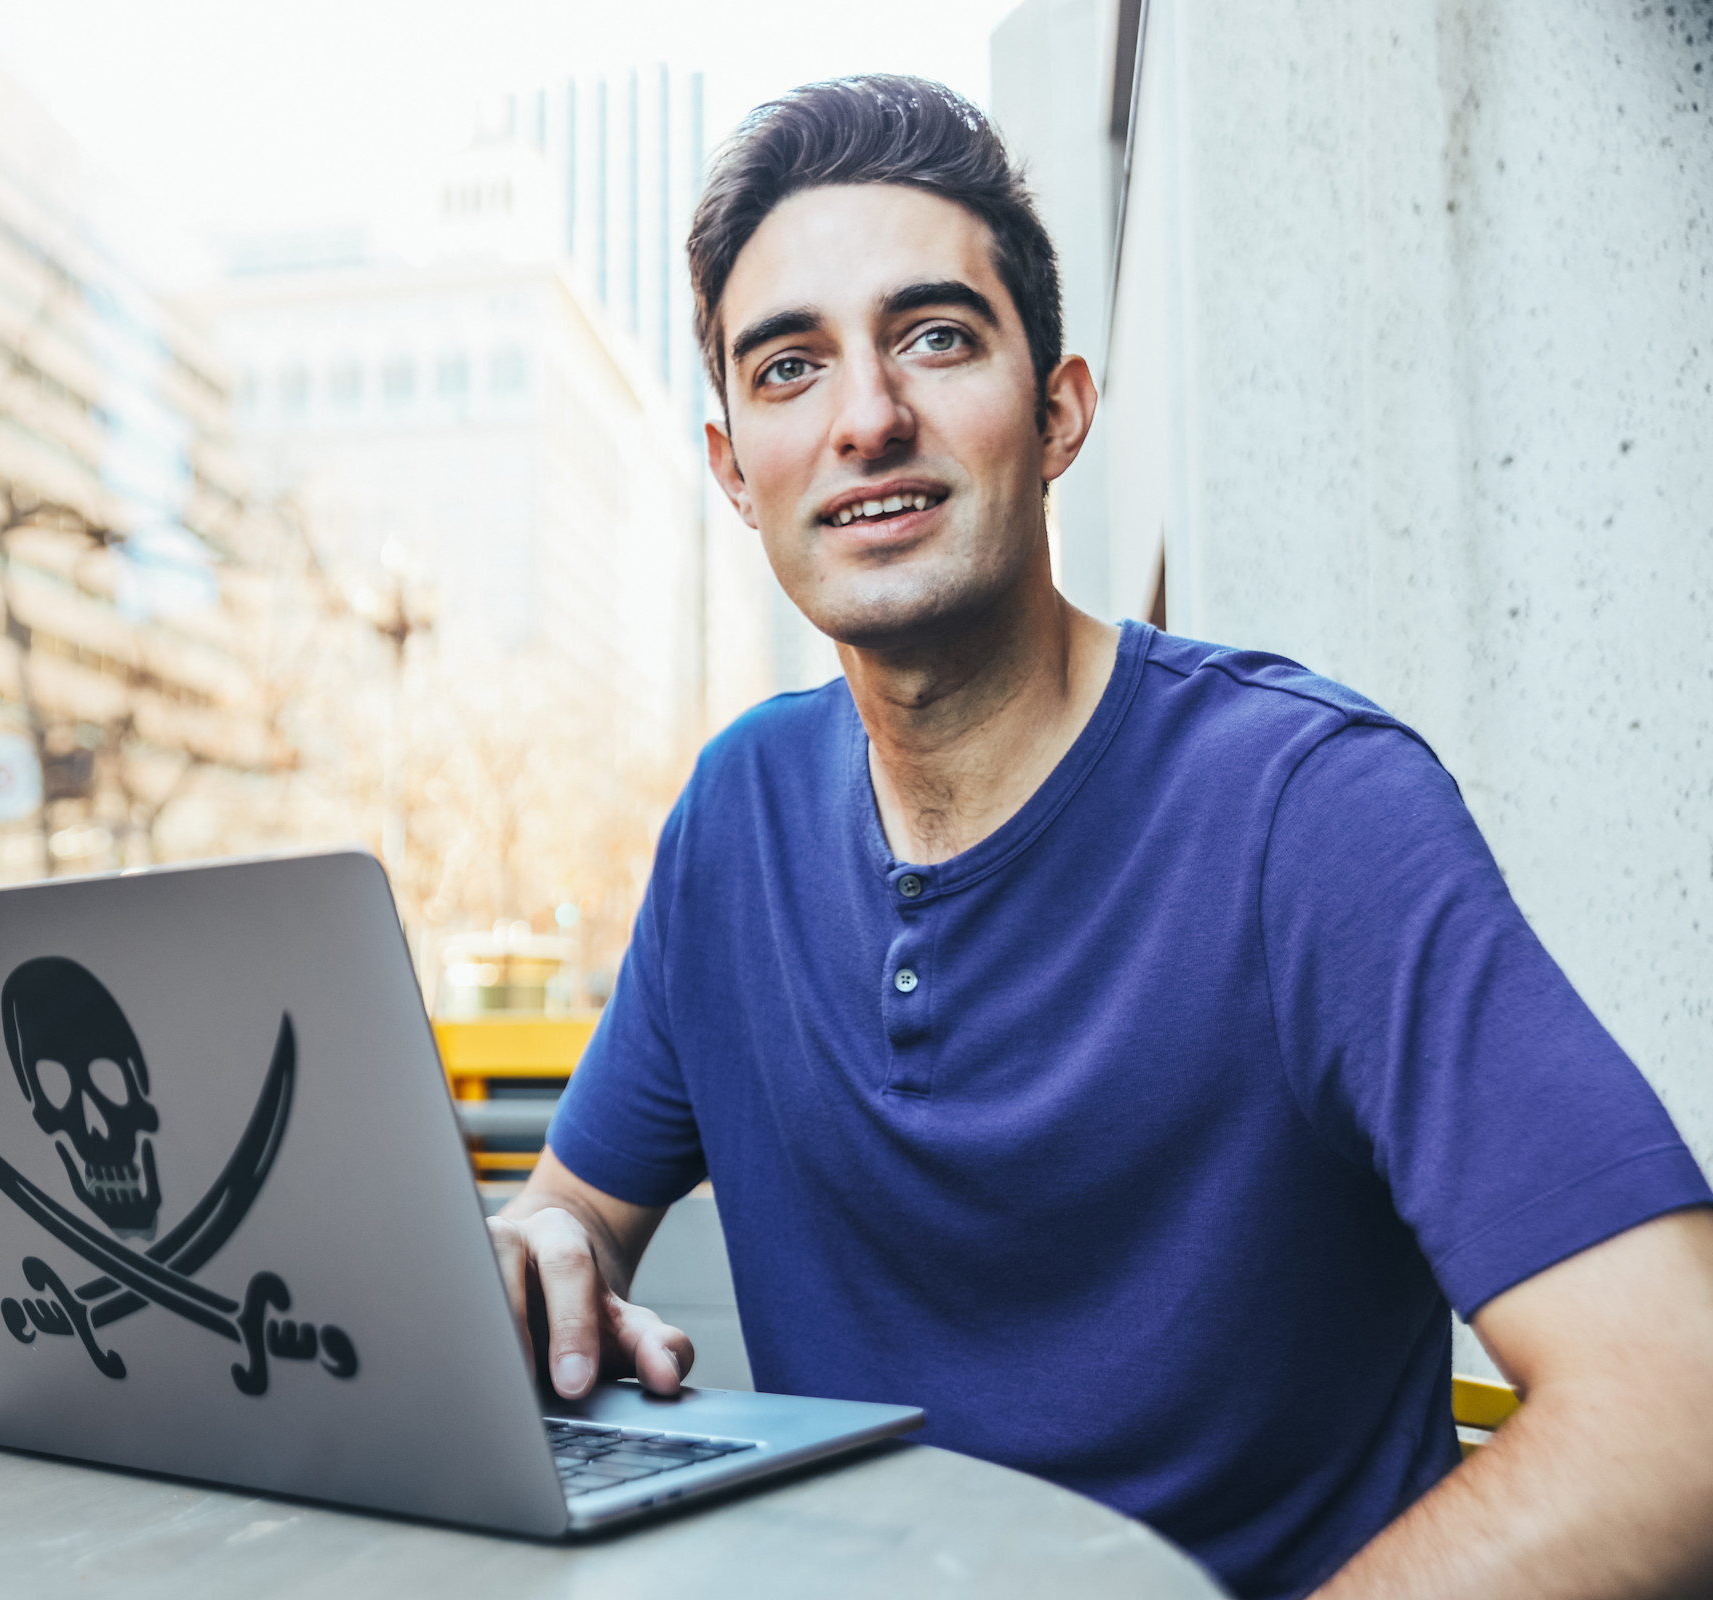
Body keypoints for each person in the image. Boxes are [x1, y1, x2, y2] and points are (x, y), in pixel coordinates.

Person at [486, 75, 1713, 1600]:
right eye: (788, 367)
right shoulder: (731, 821)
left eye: (935, 337)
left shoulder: (1308, 811)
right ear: (737, 472)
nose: (868, 417)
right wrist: (539, 1250)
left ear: (1058, 413)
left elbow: (1677, 1410)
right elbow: (572, 1217)